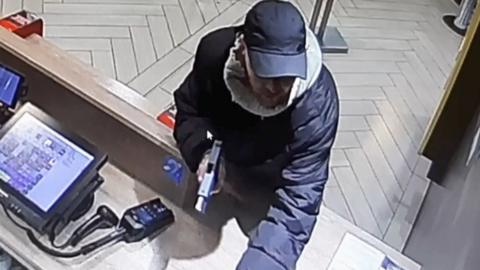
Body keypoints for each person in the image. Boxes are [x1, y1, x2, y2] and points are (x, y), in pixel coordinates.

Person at [172, 0, 339, 269]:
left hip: (271, 193)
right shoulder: (215, 53)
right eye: (267, 73)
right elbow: (189, 111)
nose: (277, 89)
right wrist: (202, 151)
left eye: (287, 76)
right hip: (219, 182)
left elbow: (299, 199)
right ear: (242, 52)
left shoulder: (316, 106)